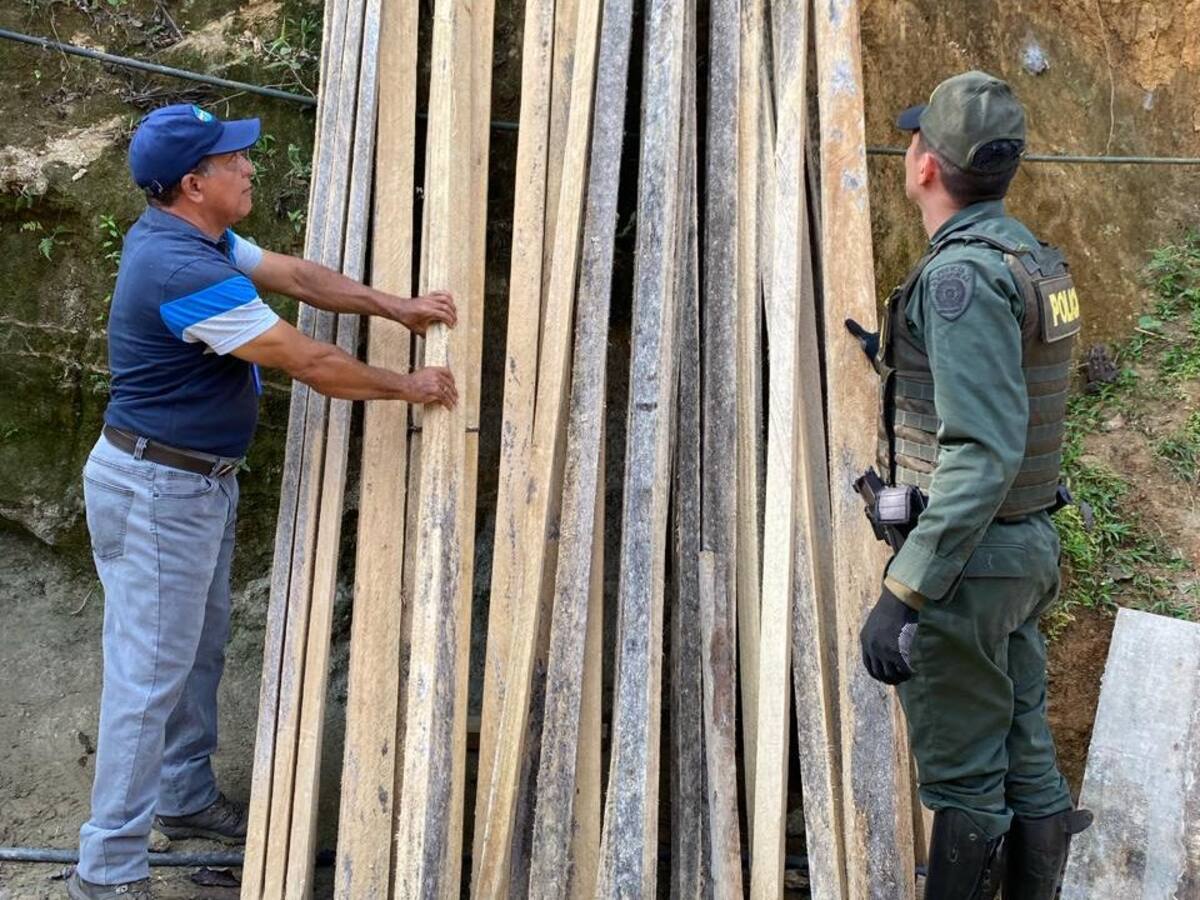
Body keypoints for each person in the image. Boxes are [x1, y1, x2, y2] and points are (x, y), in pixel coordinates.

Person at [70, 104, 458, 900]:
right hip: (155, 491)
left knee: (196, 653)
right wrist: (408, 385)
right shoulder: (180, 271)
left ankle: (183, 797)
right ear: (192, 183)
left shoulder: (198, 239)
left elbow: (294, 275)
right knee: (148, 680)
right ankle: (104, 872)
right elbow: (307, 359)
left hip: (190, 483)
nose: (248, 167)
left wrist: (396, 306)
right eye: (233, 161)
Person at [847, 72, 1092, 899]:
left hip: (967, 567)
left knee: (965, 785)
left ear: (925, 164)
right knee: (1027, 764)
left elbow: (982, 452)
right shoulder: (1028, 259)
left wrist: (903, 593)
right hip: (1019, 554)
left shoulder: (959, 283)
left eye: (917, 138)